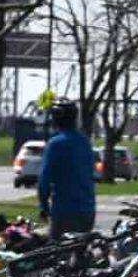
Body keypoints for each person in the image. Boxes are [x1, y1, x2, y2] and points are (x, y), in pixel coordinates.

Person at [38, 98, 97, 240]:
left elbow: (44, 180)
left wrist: (44, 206)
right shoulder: (85, 141)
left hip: (65, 209)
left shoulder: (56, 144)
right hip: (87, 209)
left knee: (57, 253)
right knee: (79, 252)